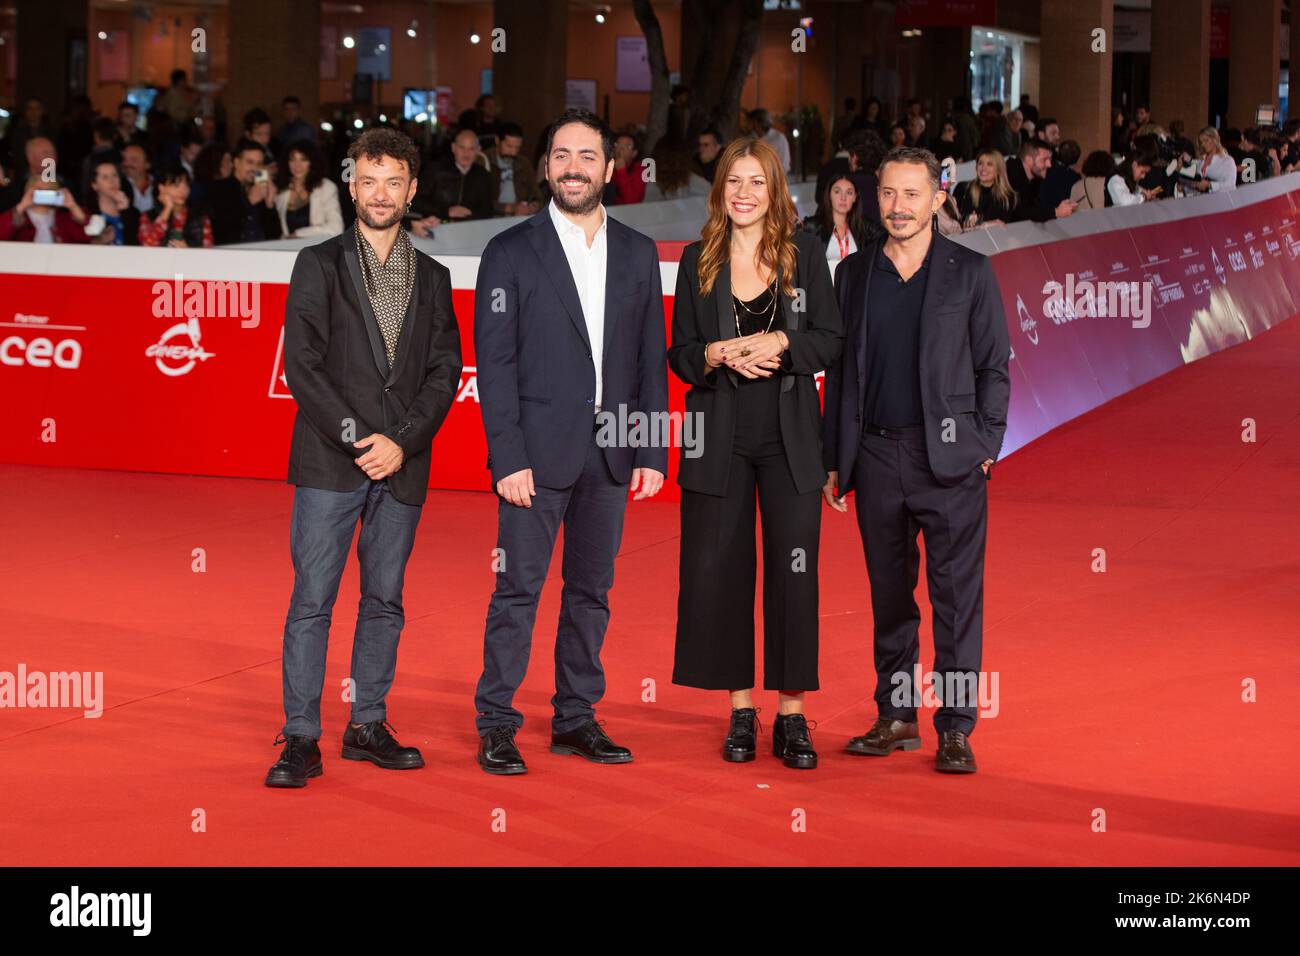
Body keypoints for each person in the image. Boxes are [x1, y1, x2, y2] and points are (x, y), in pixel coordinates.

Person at [265, 127, 463, 788]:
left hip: (402, 464)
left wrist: (401, 442)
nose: (380, 194)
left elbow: (445, 371)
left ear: (411, 190)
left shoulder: (434, 277)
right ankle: (299, 737)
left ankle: (367, 723)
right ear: (352, 186)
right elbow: (303, 366)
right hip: (330, 460)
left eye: (394, 182)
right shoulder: (318, 264)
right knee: (312, 600)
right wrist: (361, 439)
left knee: (384, 599)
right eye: (369, 180)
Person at [472, 108, 668, 775]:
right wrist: (508, 456)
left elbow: (649, 359)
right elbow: (493, 365)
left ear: (610, 169)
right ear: (545, 167)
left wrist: (650, 450)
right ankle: (497, 720)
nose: (574, 167)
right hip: (535, 453)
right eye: (561, 156)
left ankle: (575, 717)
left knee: (592, 590)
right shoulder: (509, 251)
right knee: (517, 591)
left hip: (611, 450)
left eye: (587, 156)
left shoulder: (639, 254)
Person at [821, 146, 1010, 775]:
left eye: (911, 195)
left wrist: (985, 446)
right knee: (890, 598)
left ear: (936, 197)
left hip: (951, 460)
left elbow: (993, 367)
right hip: (876, 456)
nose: (898, 208)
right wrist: (835, 459)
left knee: (956, 600)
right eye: (888, 195)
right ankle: (897, 716)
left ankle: (955, 727)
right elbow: (841, 374)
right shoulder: (854, 276)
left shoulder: (971, 272)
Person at [667, 138, 843, 769]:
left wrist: (780, 341)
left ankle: (791, 716)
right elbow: (681, 353)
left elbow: (830, 339)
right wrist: (713, 354)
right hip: (719, 437)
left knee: (795, 575)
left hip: (791, 439)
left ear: (775, 193)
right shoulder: (697, 261)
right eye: (733, 181)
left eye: (756, 183)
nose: (743, 193)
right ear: (721, 191)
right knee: (721, 573)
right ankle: (741, 709)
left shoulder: (803, 257)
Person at [409, 128, 494, 234]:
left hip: (470, 231)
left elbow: (487, 209)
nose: (466, 153)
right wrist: (447, 211)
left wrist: (470, 213)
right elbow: (414, 201)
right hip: (434, 228)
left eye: (471, 149)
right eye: (461, 147)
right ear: (453, 148)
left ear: (478, 150)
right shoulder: (435, 170)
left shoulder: (482, 174)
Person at [208, 138, 283, 244]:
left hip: (263, 254)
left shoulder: (261, 189)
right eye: (250, 162)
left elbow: (275, 234)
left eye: (259, 164)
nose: (254, 168)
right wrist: (249, 202)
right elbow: (223, 231)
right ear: (236, 162)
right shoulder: (219, 189)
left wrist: (269, 204)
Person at [274, 140, 343, 238]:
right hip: (287, 251)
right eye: (292, 159)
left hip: (318, 250)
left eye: (303, 159)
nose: (297, 165)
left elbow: (336, 228)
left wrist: (298, 234)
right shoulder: (281, 190)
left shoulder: (325, 187)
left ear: (312, 162)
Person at [804, 172, 873, 265]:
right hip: (824, 279)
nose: (843, 198)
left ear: (855, 197)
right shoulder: (812, 226)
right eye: (837, 191)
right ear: (829, 195)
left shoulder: (863, 227)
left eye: (849, 193)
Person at [138, 164, 214, 247]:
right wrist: (167, 209)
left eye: (186, 185)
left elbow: (208, 251)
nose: (183, 191)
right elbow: (147, 244)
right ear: (161, 188)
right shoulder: (149, 216)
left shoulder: (200, 216)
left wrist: (189, 252)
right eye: (176, 186)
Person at [1007, 138, 1075, 222]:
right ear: (1029, 160)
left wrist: (1059, 209)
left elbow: (1035, 208)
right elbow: (1017, 214)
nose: (1049, 164)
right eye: (1044, 160)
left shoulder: (1035, 179)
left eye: (1050, 159)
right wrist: (1056, 212)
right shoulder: (1009, 176)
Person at [484, 122, 542, 216]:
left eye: (517, 147)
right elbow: (479, 201)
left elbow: (537, 195)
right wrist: (508, 208)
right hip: (492, 217)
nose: (513, 153)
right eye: (509, 146)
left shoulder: (523, 163)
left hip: (519, 216)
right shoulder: (484, 160)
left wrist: (534, 206)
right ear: (497, 140)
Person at [0, 182, 89, 242]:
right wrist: (21, 206)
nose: (45, 193)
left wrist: (73, 206)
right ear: (27, 191)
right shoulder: (21, 218)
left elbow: (88, 237)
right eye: (39, 190)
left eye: (50, 190)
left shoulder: (64, 219)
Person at [951, 149, 1017, 228]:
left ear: (999, 169)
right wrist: (981, 223)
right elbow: (952, 218)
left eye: (989, 164)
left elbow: (1005, 226)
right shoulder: (963, 188)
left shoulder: (1007, 196)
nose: (983, 168)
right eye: (980, 163)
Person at [84, 158, 139, 245]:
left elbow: (136, 244)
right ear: (94, 185)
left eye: (115, 175)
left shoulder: (133, 213)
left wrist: (126, 212)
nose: (112, 181)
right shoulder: (87, 213)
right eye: (105, 177)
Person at [1182, 126, 1237, 194]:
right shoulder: (1201, 161)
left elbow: (1230, 185)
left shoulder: (1227, 161)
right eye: (1201, 142)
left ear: (1215, 139)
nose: (1203, 144)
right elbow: (1195, 189)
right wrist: (1186, 186)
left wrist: (1210, 185)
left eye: (1206, 140)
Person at [1038, 139, 1082, 213]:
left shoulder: (1046, 170)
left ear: (1058, 152)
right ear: (1077, 159)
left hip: (1044, 212)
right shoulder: (1075, 178)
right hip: (1065, 214)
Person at [610, 131, 647, 204]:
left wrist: (621, 171)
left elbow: (631, 201)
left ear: (634, 153)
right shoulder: (607, 166)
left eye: (627, 146)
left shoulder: (640, 170)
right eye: (618, 144)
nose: (621, 149)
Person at [750, 109, 791, 173]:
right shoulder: (751, 138)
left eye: (753, 122)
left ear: (759, 122)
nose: (750, 126)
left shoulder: (779, 138)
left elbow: (784, 164)